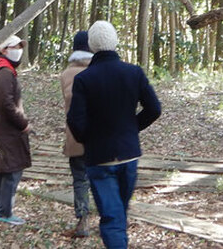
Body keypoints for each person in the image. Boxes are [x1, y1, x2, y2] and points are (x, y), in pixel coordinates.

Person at [66, 20, 161, 249]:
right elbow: (154, 109)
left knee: (112, 217)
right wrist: (130, 128)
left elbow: (75, 121)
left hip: (99, 158)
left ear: (91, 45)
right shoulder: (133, 73)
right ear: (115, 42)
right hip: (129, 155)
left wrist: (90, 139)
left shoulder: (84, 79)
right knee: (118, 215)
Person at [0, 34, 31, 226]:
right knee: (11, 171)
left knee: (1, 171)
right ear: (3, 50)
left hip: (3, 130)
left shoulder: (4, 71)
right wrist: (23, 123)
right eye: (14, 46)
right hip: (7, 132)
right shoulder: (4, 73)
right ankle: (3, 212)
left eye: (20, 46)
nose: (18, 50)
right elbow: (7, 105)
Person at [59, 30, 93, 237]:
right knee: (103, 176)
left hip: (75, 134)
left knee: (80, 178)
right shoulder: (102, 71)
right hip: (101, 135)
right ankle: (113, 218)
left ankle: (83, 221)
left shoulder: (66, 74)